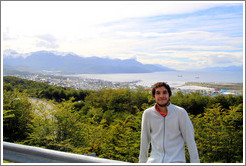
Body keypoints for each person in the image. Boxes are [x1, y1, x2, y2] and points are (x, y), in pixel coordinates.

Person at [139, 82, 200, 163]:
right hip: (154, 161)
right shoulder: (148, 114)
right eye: (158, 93)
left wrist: (195, 163)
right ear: (154, 97)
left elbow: (190, 140)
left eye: (164, 92)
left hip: (176, 161)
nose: (161, 96)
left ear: (169, 95)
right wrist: (142, 162)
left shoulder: (180, 113)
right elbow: (144, 140)